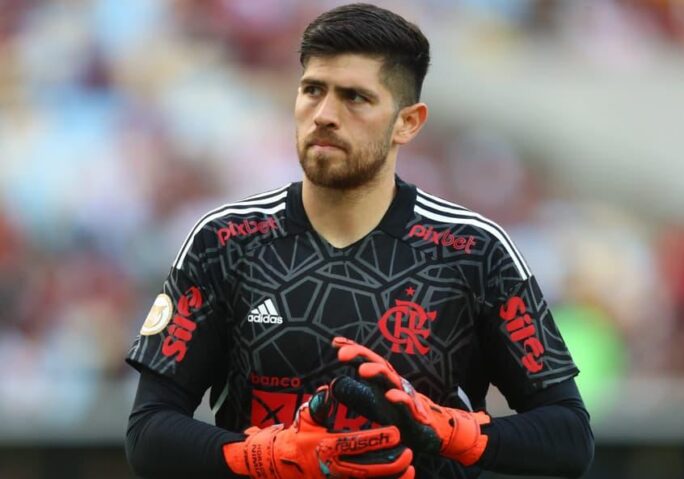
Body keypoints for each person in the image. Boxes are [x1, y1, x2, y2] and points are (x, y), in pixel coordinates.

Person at [125, 3, 594, 478]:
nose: (324, 115)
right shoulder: (225, 241)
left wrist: (452, 430)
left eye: (355, 97)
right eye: (312, 90)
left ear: (408, 122)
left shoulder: (473, 250)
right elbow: (148, 434)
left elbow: (569, 437)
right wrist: (265, 457)